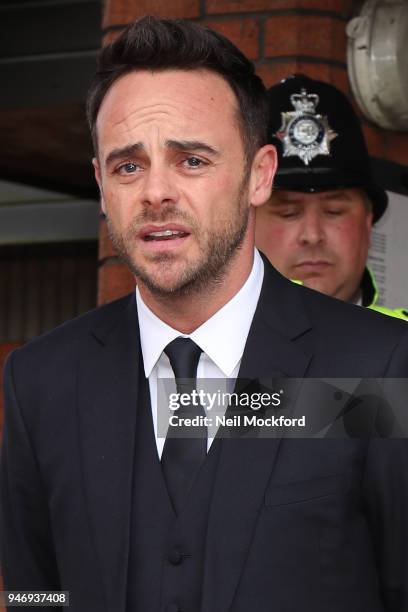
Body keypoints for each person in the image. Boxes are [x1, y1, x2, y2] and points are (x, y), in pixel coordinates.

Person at [2, 17, 408, 612]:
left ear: (258, 174)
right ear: (100, 182)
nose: (156, 192)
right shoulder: (41, 381)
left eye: (191, 160)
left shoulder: (378, 365)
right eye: (128, 165)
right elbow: (37, 591)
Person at [255, 74, 408, 320]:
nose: (313, 236)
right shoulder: (199, 347)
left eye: (334, 211)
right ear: (245, 225)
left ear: (368, 223)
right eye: (289, 213)